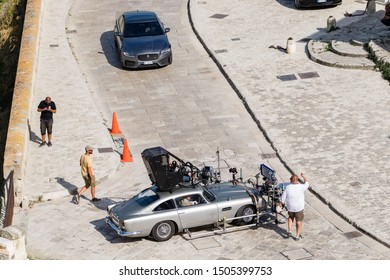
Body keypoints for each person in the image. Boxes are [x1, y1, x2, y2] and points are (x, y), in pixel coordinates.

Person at [279, 173, 309, 240]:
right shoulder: (301, 187)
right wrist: (303, 176)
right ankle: (297, 235)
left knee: (290, 217)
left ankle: (289, 231)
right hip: (299, 208)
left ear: (290, 180)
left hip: (290, 207)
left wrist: (280, 203)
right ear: (297, 180)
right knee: (298, 221)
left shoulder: (288, 187)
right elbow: (307, 183)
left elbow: (283, 198)